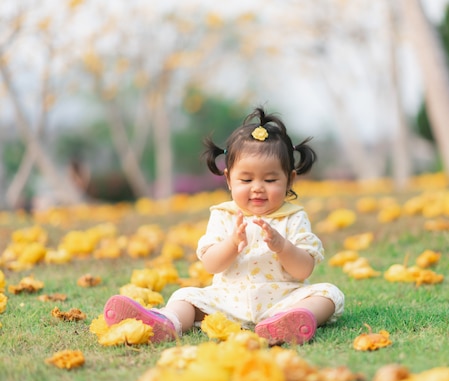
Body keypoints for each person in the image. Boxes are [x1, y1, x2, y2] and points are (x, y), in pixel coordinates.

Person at [103, 107, 344, 345]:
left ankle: (290, 322)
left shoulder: (294, 217)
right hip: (228, 301)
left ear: (290, 179)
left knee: (329, 295)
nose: (258, 187)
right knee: (185, 296)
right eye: (246, 179)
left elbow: (304, 270)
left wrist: (282, 246)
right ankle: (167, 322)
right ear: (229, 179)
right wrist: (232, 244)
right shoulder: (223, 215)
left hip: (283, 299)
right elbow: (211, 264)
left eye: (270, 180)